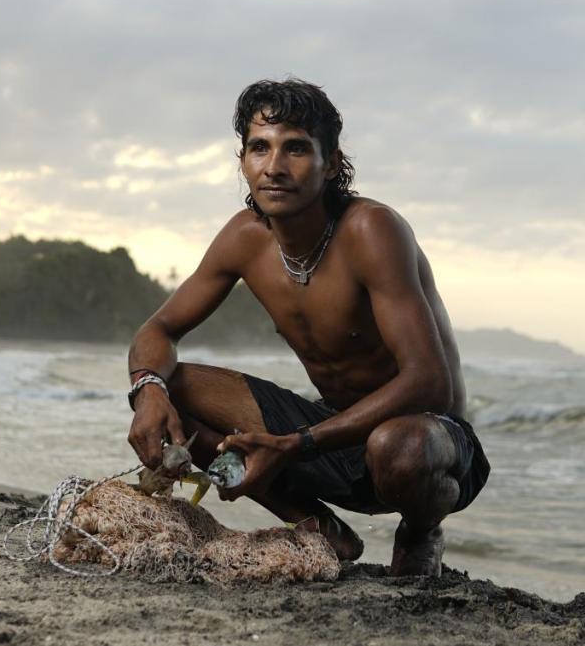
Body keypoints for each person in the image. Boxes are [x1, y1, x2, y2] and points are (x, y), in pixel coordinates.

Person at [126, 78, 489, 576]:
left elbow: (429, 380)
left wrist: (295, 444)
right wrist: (147, 390)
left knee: (397, 447)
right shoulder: (244, 239)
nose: (274, 167)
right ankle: (317, 527)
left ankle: (421, 530)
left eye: (295, 148)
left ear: (332, 162)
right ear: (242, 162)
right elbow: (159, 329)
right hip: (327, 432)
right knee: (174, 383)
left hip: (429, 445)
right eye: (260, 148)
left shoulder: (371, 231)